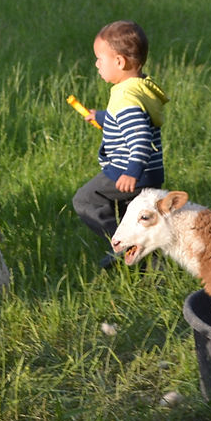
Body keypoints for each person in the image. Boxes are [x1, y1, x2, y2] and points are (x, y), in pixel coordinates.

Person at [72, 20, 168, 265]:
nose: (96, 64)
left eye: (99, 59)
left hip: (129, 171)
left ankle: (123, 243)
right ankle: (153, 269)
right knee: (135, 215)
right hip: (149, 172)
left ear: (119, 62)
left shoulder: (126, 98)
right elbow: (127, 120)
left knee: (85, 200)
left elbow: (141, 139)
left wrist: (131, 172)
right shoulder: (137, 88)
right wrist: (101, 117)